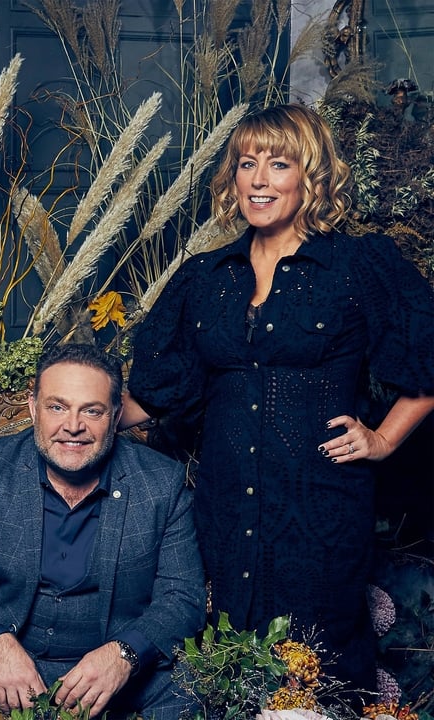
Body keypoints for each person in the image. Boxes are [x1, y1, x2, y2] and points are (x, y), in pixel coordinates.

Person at [125, 103, 434, 692]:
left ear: (311, 176)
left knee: (317, 671)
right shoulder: (206, 276)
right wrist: (79, 413)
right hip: (223, 507)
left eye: (279, 164)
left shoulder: (356, 266)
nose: (259, 180)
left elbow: (426, 357)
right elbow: (161, 390)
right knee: (224, 669)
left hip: (321, 509)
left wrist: (383, 439)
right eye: (247, 164)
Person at [0, 343, 204, 720]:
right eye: (57, 407)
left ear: (116, 415)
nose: (73, 426)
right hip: (7, 654)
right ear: (34, 409)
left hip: (109, 662)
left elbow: (183, 598)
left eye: (92, 411)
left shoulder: (161, 483)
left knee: (186, 682)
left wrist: (124, 654)